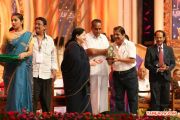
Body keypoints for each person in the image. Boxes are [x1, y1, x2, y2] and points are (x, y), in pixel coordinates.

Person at [0, 13, 33, 112]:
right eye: (12, 20)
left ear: (21, 21)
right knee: (11, 92)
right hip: (10, 66)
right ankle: (12, 114)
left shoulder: (28, 35)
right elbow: (3, 50)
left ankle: (22, 113)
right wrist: (5, 61)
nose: (13, 22)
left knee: (20, 90)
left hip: (21, 65)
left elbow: (31, 51)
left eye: (15, 20)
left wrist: (24, 54)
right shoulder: (7, 34)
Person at [107, 26, 138, 114]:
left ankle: (134, 116)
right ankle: (120, 117)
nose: (116, 36)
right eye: (114, 34)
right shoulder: (111, 46)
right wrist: (110, 60)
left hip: (130, 74)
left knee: (132, 97)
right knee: (118, 98)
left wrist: (119, 59)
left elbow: (132, 60)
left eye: (118, 34)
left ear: (123, 35)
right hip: (117, 74)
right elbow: (109, 63)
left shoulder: (130, 44)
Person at [61, 27, 92, 113]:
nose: (85, 37)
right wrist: (89, 63)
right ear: (77, 36)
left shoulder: (78, 46)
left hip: (80, 82)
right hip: (75, 84)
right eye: (84, 35)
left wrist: (89, 62)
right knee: (75, 107)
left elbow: (81, 61)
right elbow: (75, 62)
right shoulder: (73, 46)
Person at [144, 30, 176, 111]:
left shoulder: (169, 49)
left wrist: (168, 68)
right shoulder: (150, 49)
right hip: (154, 78)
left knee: (165, 100)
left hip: (166, 78)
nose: (159, 39)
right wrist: (156, 69)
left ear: (164, 38)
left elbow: (173, 63)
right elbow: (147, 64)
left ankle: (164, 117)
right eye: (157, 37)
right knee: (155, 101)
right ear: (154, 38)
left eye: (160, 37)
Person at [84, 19, 109, 114]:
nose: (98, 31)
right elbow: (90, 51)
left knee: (103, 93)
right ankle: (94, 115)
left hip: (104, 68)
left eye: (100, 29)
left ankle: (102, 115)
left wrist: (98, 51)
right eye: (96, 29)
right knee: (94, 94)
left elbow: (109, 51)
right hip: (93, 70)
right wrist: (103, 51)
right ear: (91, 28)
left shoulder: (103, 37)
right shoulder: (87, 37)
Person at [32, 17, 58, 112]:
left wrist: (54, 70)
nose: (36, 26)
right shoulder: (30, 38)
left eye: (39, 24)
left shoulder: (50, 40)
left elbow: (53, 56)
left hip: (46, 75)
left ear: (45, 27)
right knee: (32, 102)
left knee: (47, 103)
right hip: (33, 75)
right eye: (35, 24)